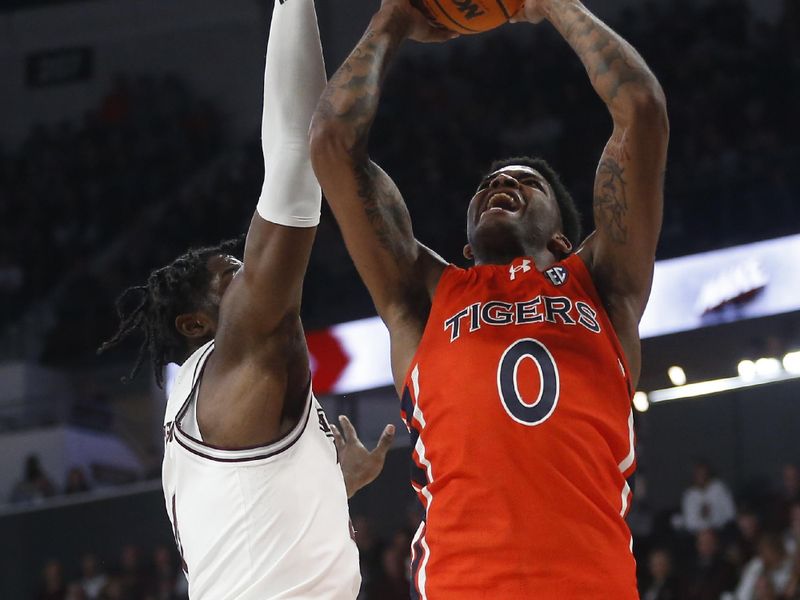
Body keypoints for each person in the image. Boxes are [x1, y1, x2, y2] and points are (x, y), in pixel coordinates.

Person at [309, 0, 668, 595]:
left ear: (561, 235)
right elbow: (330, 144)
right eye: (488, 185)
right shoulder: (424, 295)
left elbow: (642, 111)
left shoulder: (604, 283)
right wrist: (393, 19)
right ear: (467, 245)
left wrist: (552, 5)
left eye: (526, 182)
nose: (500, 184)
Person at [99, 0, 394, 597]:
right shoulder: (238, 358)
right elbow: (294, 159)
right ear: (195, 322)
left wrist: (334, 482)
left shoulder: (210, 405)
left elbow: (253, 531)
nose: (253, 274)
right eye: (230, 275)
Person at [682, 460, 737, 533]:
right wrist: (702, 517)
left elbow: (731, 514)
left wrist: (713, 513)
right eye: (698, 473)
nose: (701, 476)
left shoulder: (719, 488)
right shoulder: (689, 495)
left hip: (721, 531)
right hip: (699, 535)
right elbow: (690, 524)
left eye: (703, 473)